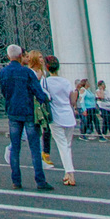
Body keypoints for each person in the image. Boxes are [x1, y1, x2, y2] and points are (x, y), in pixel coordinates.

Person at [0, 44, 54, 190]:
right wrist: (45, 100)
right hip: (28, 111)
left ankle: (16, 180)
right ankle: (40, 181)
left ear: (8, 56)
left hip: (13, 112)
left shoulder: (3, 72)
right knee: (34, 147)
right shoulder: (27, 72)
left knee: (15, 148)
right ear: (20, 56)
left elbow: (4, 91)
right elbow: (37, 91)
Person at [42, 57, 78, 186]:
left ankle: (70, 173)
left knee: (62, 146)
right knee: (67, 146)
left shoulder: (45, 82)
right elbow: (72, 101)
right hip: (69, 116)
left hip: (55, 117)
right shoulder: (66, 82)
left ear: (47, 68)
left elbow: (45, 98)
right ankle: (67, 174)